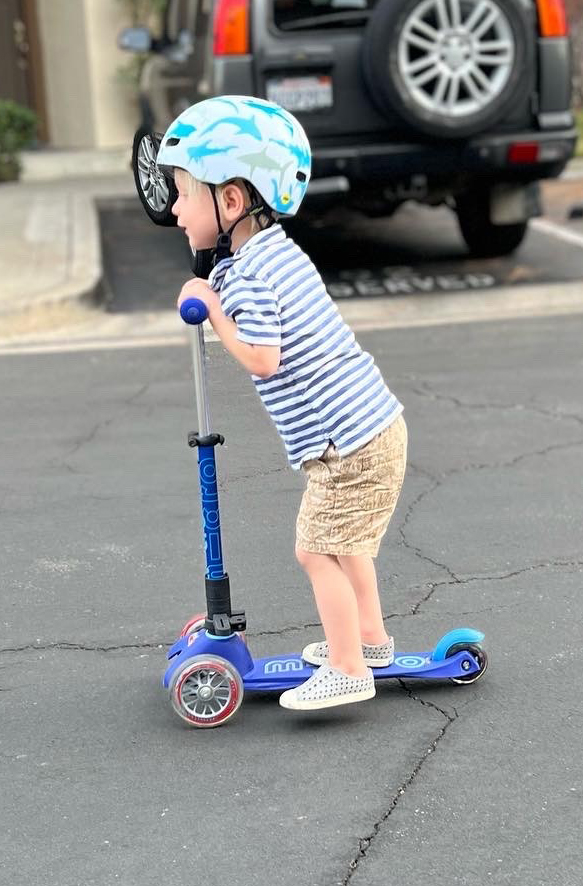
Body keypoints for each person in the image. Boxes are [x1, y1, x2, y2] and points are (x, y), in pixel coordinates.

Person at [155, 96, 407, 711]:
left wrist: (212, 308)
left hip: (349, 443)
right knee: (345, 543)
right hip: (365, 431)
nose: (175, 209)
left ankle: (349, 669)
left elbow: (264, 358)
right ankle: (369, 639)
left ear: (232, 201)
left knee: (316, 548)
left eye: (185, 193)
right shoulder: (274, 252)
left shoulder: (247, 275)